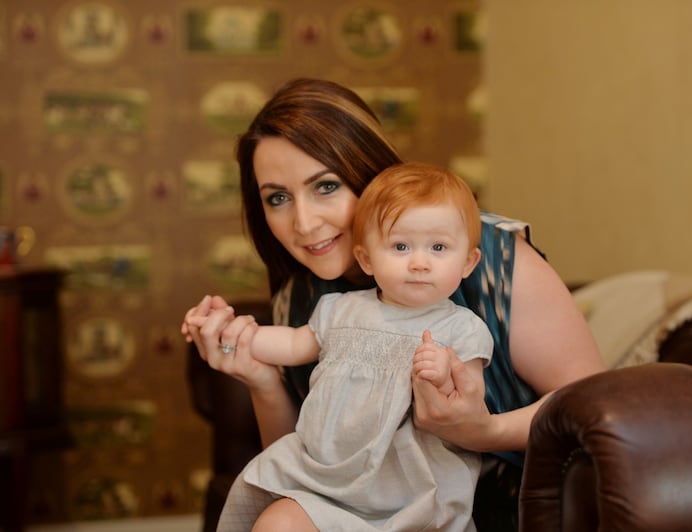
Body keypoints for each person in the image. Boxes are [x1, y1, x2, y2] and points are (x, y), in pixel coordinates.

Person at [182, 77, 605, 531]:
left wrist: (483, 431)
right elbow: (307, 468)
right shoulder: (302, 297)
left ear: (369, 173)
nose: (303, 223)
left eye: (325, 186)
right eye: (278, 198)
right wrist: (261, 379)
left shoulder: (490, 257)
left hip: (501, 507)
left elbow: (591, 401)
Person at [187, 163, 493, 530]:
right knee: (275, 522)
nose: (419, 263)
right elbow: (293, 344)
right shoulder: (341, 309)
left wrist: (444, 378)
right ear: (366, 259)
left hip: (410, 491)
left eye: (438, 247)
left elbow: (471, 407)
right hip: (326, 480)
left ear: (468, 262)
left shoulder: (461, 329)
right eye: (400, 246)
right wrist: (233, 332)